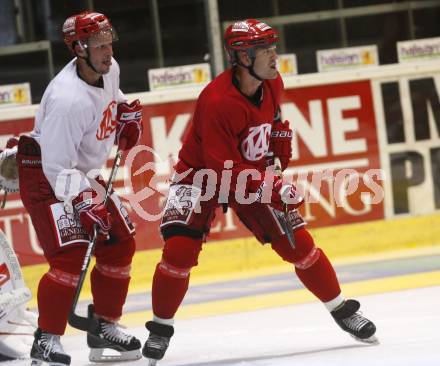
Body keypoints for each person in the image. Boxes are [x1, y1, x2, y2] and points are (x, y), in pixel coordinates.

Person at [142, 19, 377, 364]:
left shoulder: (273, 82)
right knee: (179, 251)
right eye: (265, 50)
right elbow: (222, 168)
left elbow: (274, 117)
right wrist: (272, 184)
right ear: (243, 57)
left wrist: (279, 136)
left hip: (249, 172)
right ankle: (160, 329)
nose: (274, 56)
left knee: (299, 245)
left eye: (273, 48)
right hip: (201, 175)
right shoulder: (217, 100)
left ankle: (342, 310)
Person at [15, 11, 143, 365]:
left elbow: (112, 95)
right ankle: (47, 340)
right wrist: (84, 199)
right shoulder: (66, 100)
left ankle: (104, 326)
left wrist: (125, 111)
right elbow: (55, 167)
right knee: (69, 256)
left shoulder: (108, 69)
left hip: (77, 173)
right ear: (79, 48)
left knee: (120, 242)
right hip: (44, 174)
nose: (108, 51)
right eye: (99, 45)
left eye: (109, 43)